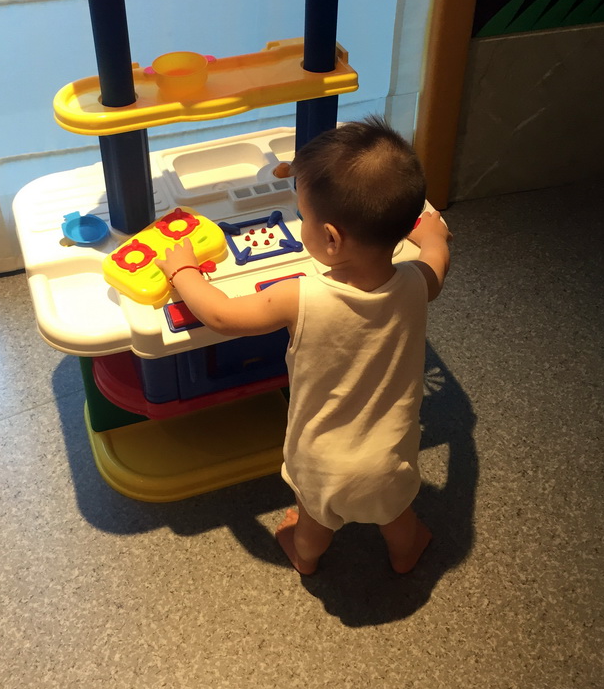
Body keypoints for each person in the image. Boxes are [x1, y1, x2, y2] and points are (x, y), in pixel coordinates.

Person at [156, 117, 451, 576]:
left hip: (323, 459)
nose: (300, 220)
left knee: (314, 520)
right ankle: (404, 552)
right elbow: (437, 259)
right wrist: (433, 236)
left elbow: (220, 315)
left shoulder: (300, 296)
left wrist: (183, 271)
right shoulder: (417, 282)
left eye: (302, 216)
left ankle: (305, 556)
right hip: (392, 453)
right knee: (395, 513)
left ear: (330, 239)